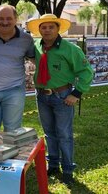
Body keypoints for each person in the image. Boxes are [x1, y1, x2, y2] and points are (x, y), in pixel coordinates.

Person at [26, 14, 94, 186]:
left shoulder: (70, 49)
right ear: (39, 30)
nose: (47, 30)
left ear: (57, 29)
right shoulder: (37, 46)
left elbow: (86, 72)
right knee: (49, 132)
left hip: (62, 97)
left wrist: (76, 94)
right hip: (42, 96)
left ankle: (68, 169)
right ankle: (54, 164)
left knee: (64, 134)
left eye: (51, 27)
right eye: (44, 27)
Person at [0, 4, 35, 132]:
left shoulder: (26, 39)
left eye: (9, 18)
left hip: (15, 90)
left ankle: (11, 153)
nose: (5, 22)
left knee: (13, 130)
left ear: (16, 19)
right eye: (0, 18)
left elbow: (35, 59)